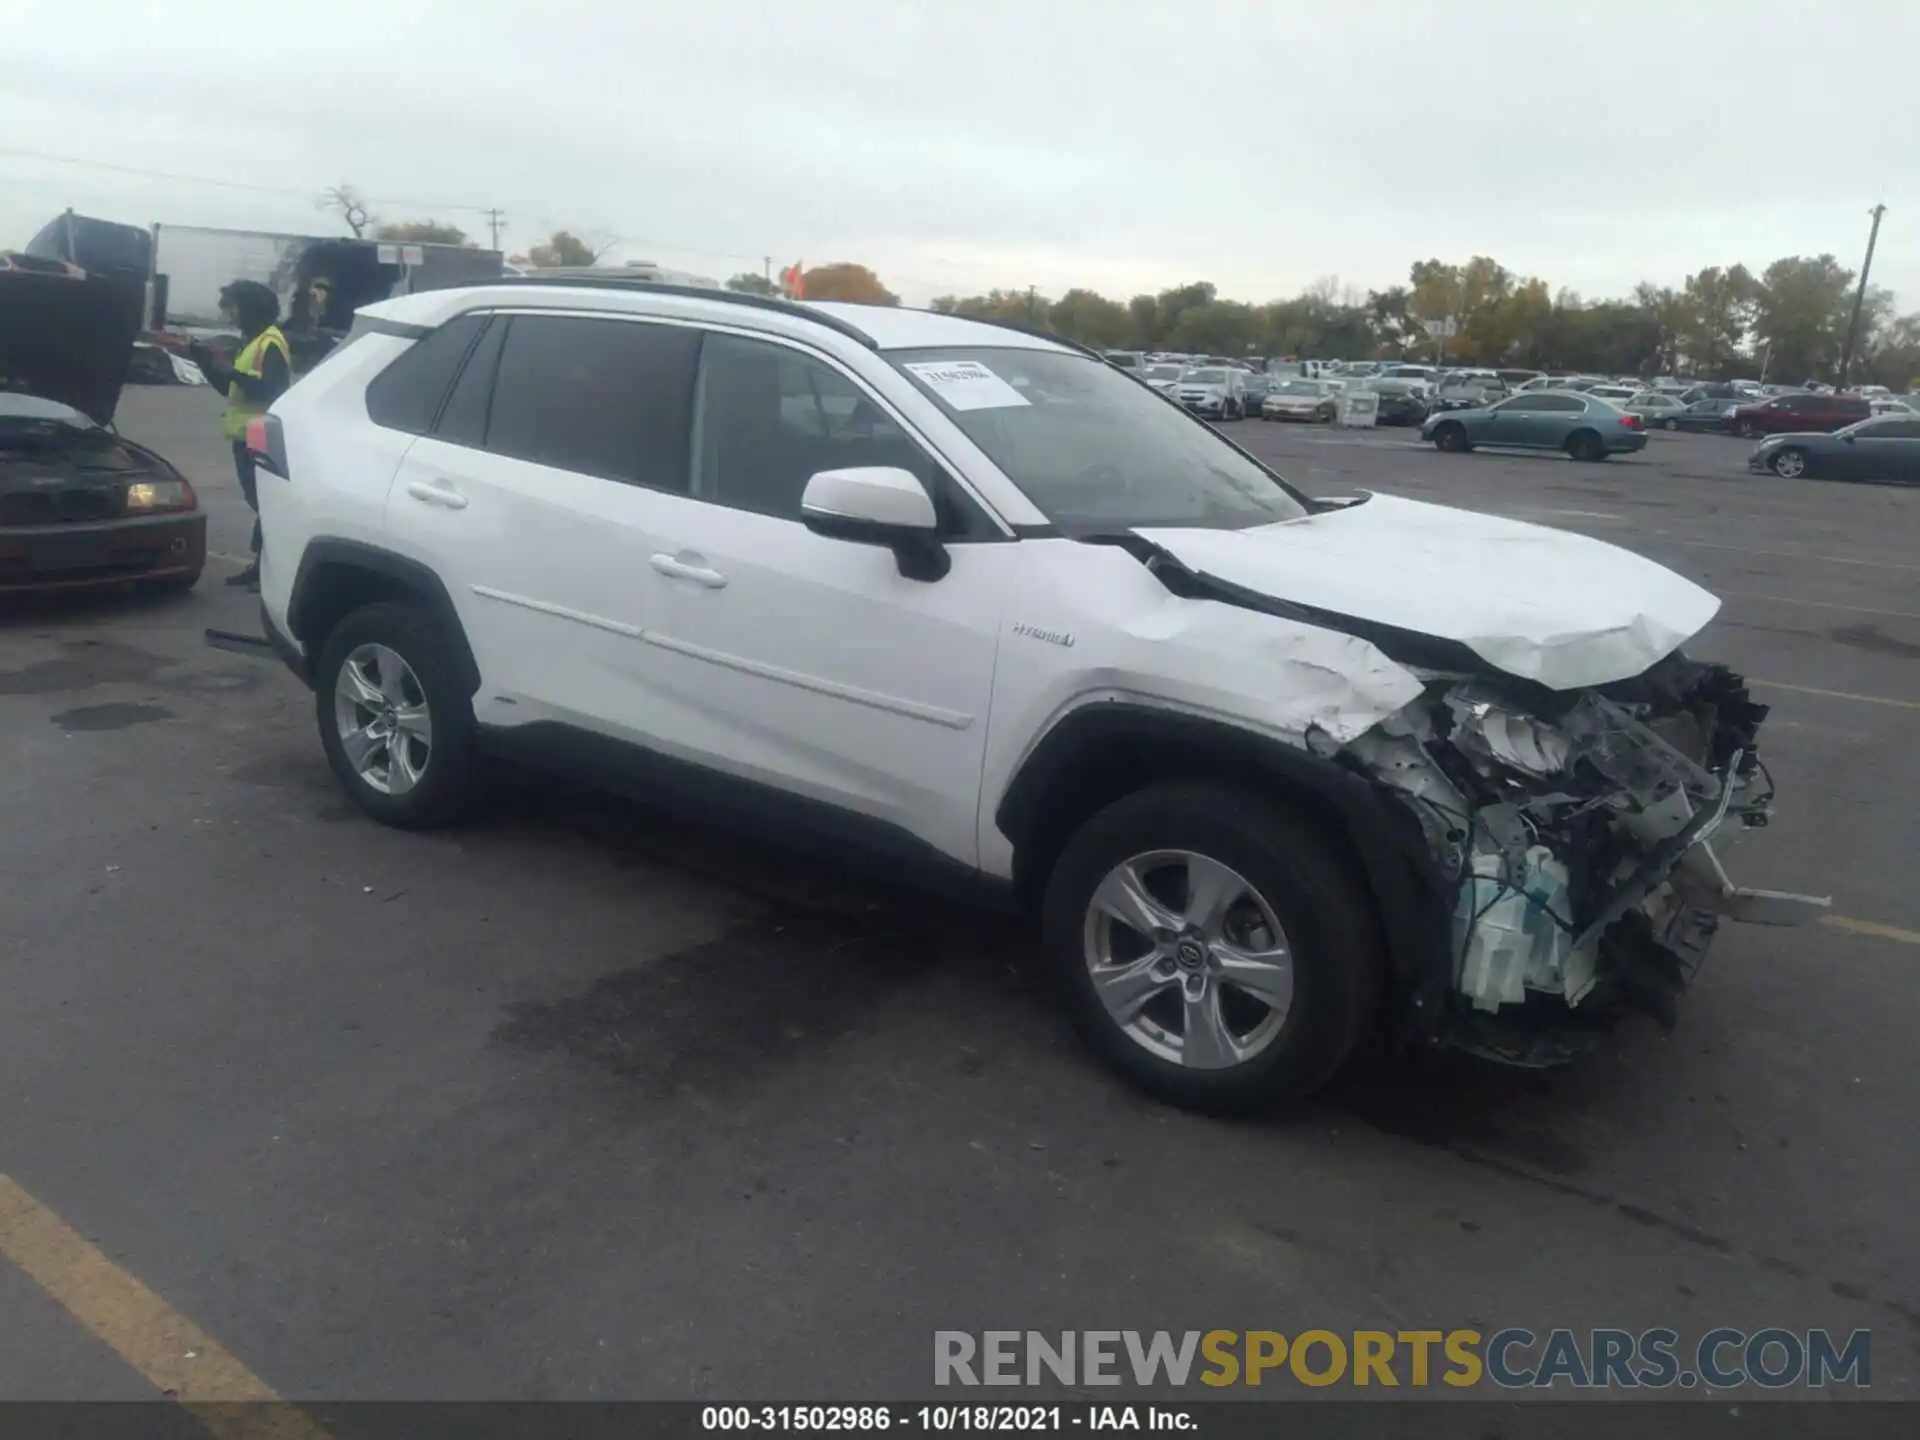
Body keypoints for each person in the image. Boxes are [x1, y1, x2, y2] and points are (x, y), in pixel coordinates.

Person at [191, 281, 289, 590]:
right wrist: (203, 361)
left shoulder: (270, 342)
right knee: (259, 501)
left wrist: (230, 369)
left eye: (232, 308)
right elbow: (230, 389)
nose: (229, 315)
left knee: (266, 503)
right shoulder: (252, 340)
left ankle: (272, 572)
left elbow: (272, 389)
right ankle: (262, 566)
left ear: (249, 307)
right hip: (245, 435)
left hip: (260, 435)